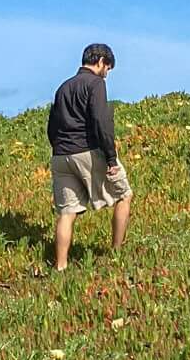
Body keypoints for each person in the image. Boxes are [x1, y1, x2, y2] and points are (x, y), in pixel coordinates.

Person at [46, 42, 131, 272]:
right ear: (101, 61)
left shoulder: (63, 87)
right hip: (87, 151)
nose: (107, 74)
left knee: (66, 212)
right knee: (124, 195)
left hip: (61, 155)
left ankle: (61, 266)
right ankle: (116, 253)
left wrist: (59, 148)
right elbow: (100, 121)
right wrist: (111, 159)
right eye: (108, 68)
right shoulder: (96, 84)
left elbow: (52, 125)